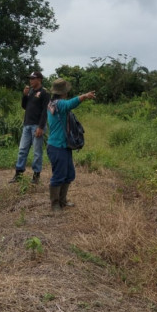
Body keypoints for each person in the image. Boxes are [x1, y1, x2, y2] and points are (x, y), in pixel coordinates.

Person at [46, 78, 96, 212]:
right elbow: (70, 104)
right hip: (57, 146)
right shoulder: (59, 104)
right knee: (58, 176)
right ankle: (55, 204)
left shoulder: (53, 103)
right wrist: (84, 96)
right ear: (63, 92)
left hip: (63, 146)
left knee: (69, 174)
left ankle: (62, 200)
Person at [10, 70, 50, 185]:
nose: (30, 80)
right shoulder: (31, 91)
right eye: (30, 78)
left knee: (37, 152)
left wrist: (41, 127)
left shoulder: (44, 93)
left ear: (39, 79)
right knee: (22, 150)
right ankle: (18, 174)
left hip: (37, 126)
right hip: (27, 125)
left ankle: (36, 175)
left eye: (33, 78)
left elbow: (45, 111)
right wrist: (25, 95)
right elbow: (24, 106)